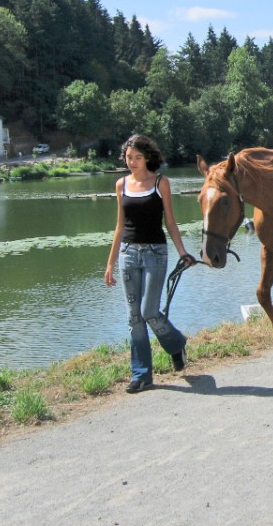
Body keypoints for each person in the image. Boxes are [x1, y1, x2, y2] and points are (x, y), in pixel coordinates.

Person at [104, 134, 196, 393]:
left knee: (149, 312)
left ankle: (176, 344)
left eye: (137, 157)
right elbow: (120, 226)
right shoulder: (121, 184)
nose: (131, 162)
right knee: (134, 317)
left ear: (148, 158)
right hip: (128, 255)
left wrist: (182, 252)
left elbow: (171, 223)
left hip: (156, 253)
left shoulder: (160, 182)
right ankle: (141, 374)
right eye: (128, 157)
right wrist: (110, 263)